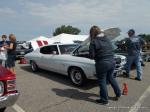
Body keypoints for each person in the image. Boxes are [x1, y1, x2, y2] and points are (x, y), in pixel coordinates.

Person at [89, 26, 121, 105]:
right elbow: (112, 49)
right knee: (111, 77)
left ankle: (104, 100)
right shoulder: (107, 39)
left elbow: (91, 56)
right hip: (112, 61)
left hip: (102, 63)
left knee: (102, 81)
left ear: (92, 33)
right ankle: (118, 93)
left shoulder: (93, 41)